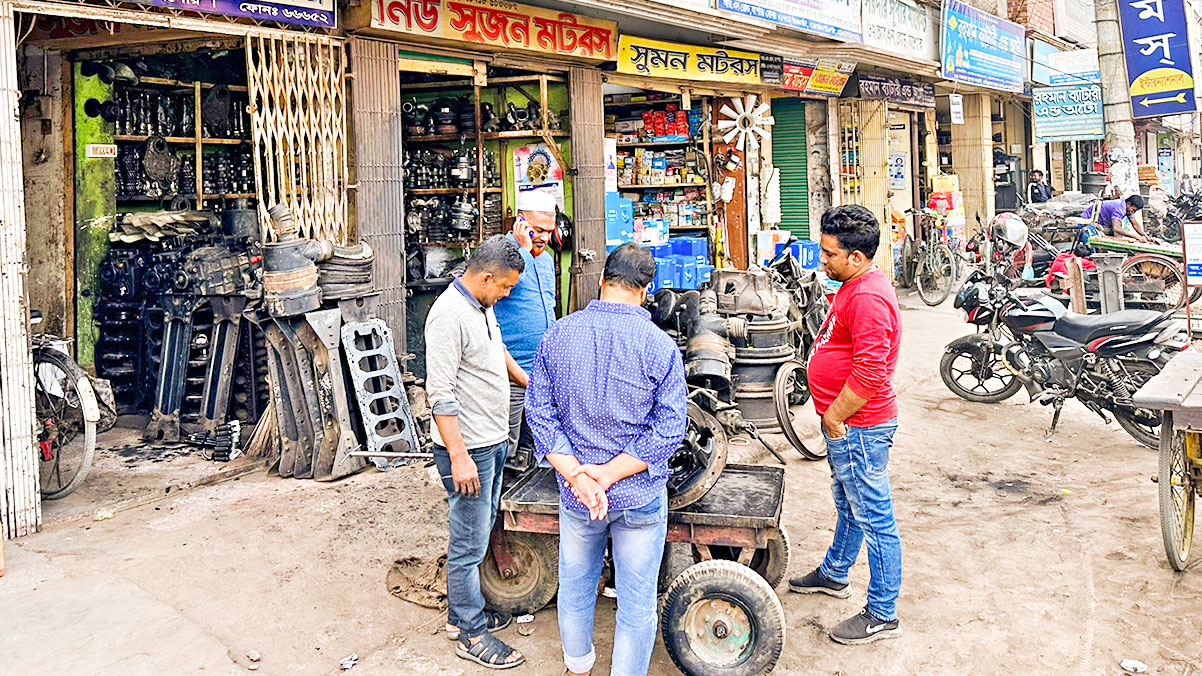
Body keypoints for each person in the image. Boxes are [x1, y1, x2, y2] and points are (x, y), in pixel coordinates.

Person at [525, 243, 688, 676]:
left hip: (578, 497)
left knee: (576, 588)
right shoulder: (660, 347)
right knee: (636, 603)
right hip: (637, 496)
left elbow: (539, 412)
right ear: (646, 290)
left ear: (602, 279)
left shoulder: (558, 334)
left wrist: (580, 477)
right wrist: (609, 473)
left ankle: (578, 667)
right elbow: (670, 429)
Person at [788, 205, 904, 646]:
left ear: (856, 257)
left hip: (860, 425)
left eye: (829, 254)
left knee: (874, 517)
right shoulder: (854, 285)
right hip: (850, 425)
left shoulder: (869, 297)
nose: (823, 260)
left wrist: (835, 415)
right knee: (850, 501)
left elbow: (872, 372)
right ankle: (835, 573)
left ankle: (882, 613)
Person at [424, 235, 527, 670]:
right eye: (504, 287)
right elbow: (440, 395)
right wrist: (460, 456)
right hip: (469, 449)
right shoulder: (447, 316)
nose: (506, 294)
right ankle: (469, 632)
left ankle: (461, 614)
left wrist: (530, 384)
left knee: (481, 530)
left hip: (492, 438)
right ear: (486, 277)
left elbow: (496, 352)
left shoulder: (482, 308)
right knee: (467, 544)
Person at [494, 190, 559, 469]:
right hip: (510, 369)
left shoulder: (544, 258)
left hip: (541, 370)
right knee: (505, 444)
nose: (544, 237)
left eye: (549, 231)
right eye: (538, 230)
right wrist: (521, 249)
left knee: (537, 444)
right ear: (520, 222)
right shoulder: (500, 253)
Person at [1080, 194, 1149, 243]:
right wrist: (1136, 237)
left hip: (1099, 224)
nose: (1133, 212)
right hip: (1087, 223)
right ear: (1128, 204)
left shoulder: (1127, 209)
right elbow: (1116, 228)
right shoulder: (1119, 208)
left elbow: (1135, 224)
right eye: (1133, 210)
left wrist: (1147, 237)